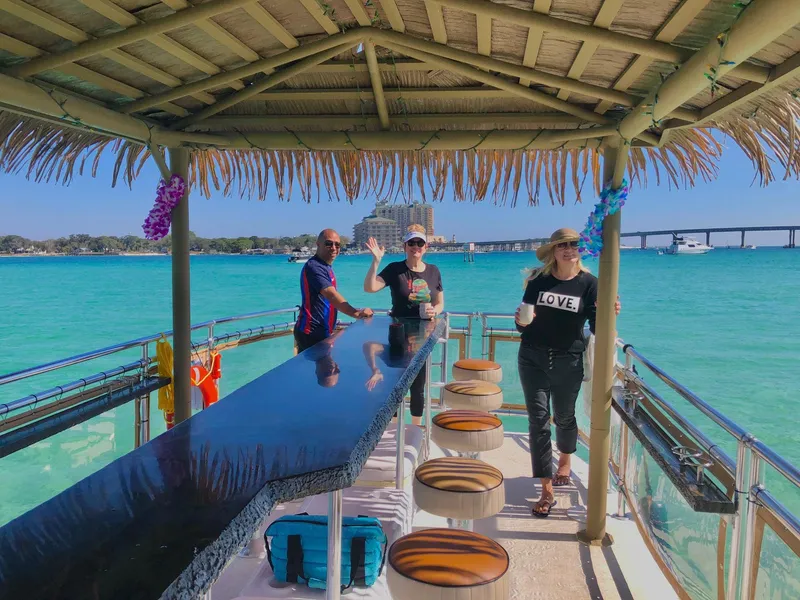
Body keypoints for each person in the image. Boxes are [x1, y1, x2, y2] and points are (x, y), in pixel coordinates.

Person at [515, 227, 620, 518]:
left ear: (580, 250)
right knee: (538, 421)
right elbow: (523, 322)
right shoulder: (539, 280)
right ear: (553, 251)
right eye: (563, 245)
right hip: (532, 357)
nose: (569, 249)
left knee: (564, 416)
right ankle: (546, 489)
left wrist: (609, 314)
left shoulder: (591, 284)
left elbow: (598, 329)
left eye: (574, 245)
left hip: (569, 360)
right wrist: (521, 321)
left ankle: (565, 459)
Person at [363, 224, 444, 426]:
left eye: (420, 242)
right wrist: (375, 262)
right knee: (395, 385)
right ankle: (392, 429)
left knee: (418, 387)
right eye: (411, 243)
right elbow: (370, 288)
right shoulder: (395, 269)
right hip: (398, 335)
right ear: (405, 246)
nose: (416, 246)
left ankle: (415, 429)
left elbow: (440, 302)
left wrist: (436, 311)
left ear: (426, 247)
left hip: (423, 335)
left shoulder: (434, 271)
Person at [294, 229, 373, 353]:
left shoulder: (325, 267)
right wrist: (357, 313)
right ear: (318, 245)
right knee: (329, 372)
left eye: (337, 244)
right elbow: (331, 295)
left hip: (322, 331)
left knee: (328, 371)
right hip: (311, 332)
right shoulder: (314, 267)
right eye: (328, 244)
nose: (334, 247)